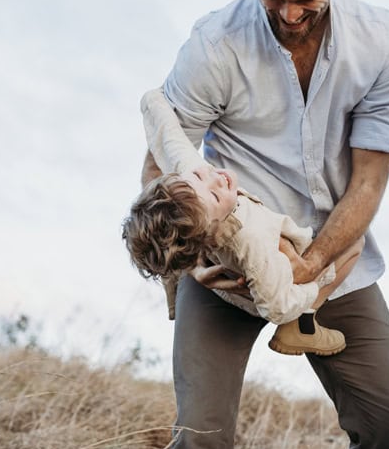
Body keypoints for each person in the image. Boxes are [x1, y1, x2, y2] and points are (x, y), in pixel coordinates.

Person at [139, 0, 389, 449]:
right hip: (223, 260)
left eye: (305, 1)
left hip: (333, 258)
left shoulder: (380, 41)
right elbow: (163, 159)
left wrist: (311, 267)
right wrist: (190, 266)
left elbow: (370, 179)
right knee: (200, 440)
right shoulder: (214, 43)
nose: (290, 16)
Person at [123, 88, 362, 357]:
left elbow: (169, 141)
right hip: (259, 286)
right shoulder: (252, 242)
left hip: (216, 255)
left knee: (174, 239)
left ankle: (174, 289)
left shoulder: (193, 185)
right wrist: (306, 289)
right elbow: (276, 305)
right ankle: (303, 323)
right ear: (210, 228)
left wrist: (152, 101)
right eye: (214, 195)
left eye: (201, 177)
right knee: (354, 242)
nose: (216, 178)